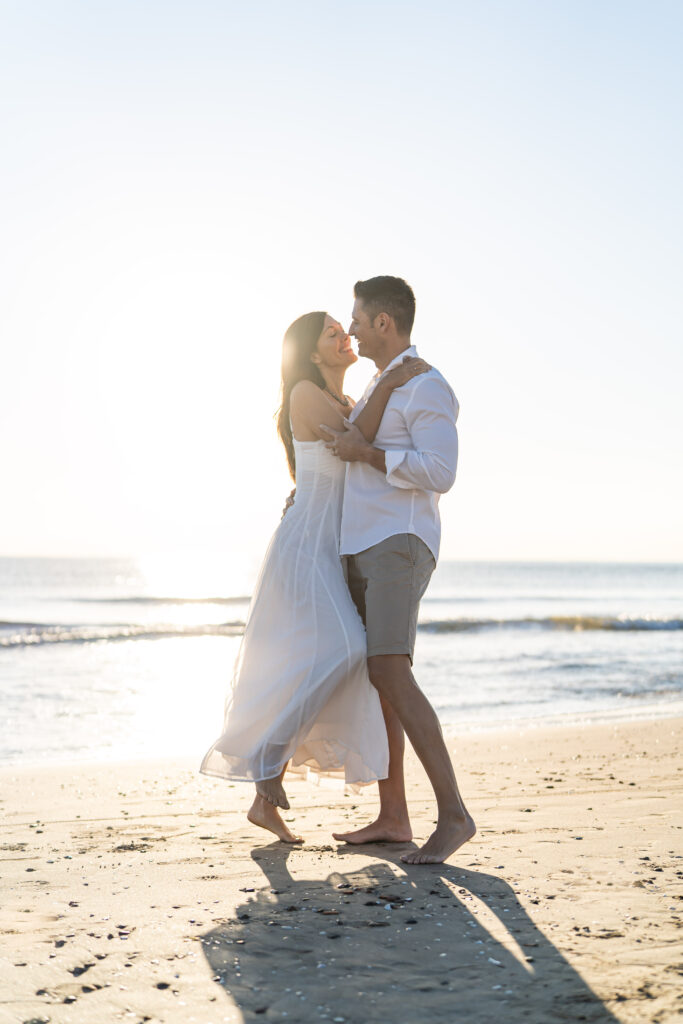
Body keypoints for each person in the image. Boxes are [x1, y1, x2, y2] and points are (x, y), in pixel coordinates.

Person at [200, 311, 429, 843]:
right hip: (307, 546)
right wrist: (391, 380)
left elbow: (354, 446)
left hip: (338, 547)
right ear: (309, 353)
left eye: (342, 328)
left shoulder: (347, 400)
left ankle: (265, 798)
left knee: (320, 662)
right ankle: (266, 757)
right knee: (350, 650)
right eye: (333, 333)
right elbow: (353, 441)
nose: (345, 336)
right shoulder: (305, 392)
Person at [321, 276, 476, 864]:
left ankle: (455, 815)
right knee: (382, 680)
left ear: (384, 322)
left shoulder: (426, 384)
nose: (352, 326)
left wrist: (370, 455)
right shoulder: (379, 385)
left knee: (392, 670)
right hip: (362, 543)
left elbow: (441, 471)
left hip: (400, 541)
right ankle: (394, 815)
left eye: (357, 317)